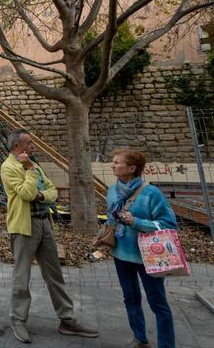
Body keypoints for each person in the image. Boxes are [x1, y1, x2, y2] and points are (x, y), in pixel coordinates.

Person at [1, 129, 99, 343]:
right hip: (23, 227)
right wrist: (29, 172)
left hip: (45, 225)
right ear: (16, 146)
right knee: (21, 277)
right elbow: (26, 193)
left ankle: (67, 320)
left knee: (55, 274)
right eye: (28, 142)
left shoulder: (33, 165)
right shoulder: (9, 167)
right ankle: (18, 320)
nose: (32, 146)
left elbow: (52, 191)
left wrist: (41, 194)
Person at [93, 149, 178, 348]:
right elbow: (112, 220)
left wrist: (137, 222)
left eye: (117, 163)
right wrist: (101, 237)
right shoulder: (112, 191)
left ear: (131, 168)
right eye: (112, 162)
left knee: (158, 303)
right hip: (121, 254)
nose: (112, 165)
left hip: (148, 257)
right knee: (130, 298)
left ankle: (167, 344)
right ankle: (140, 338)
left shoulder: (151, 193)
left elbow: (169, 224)